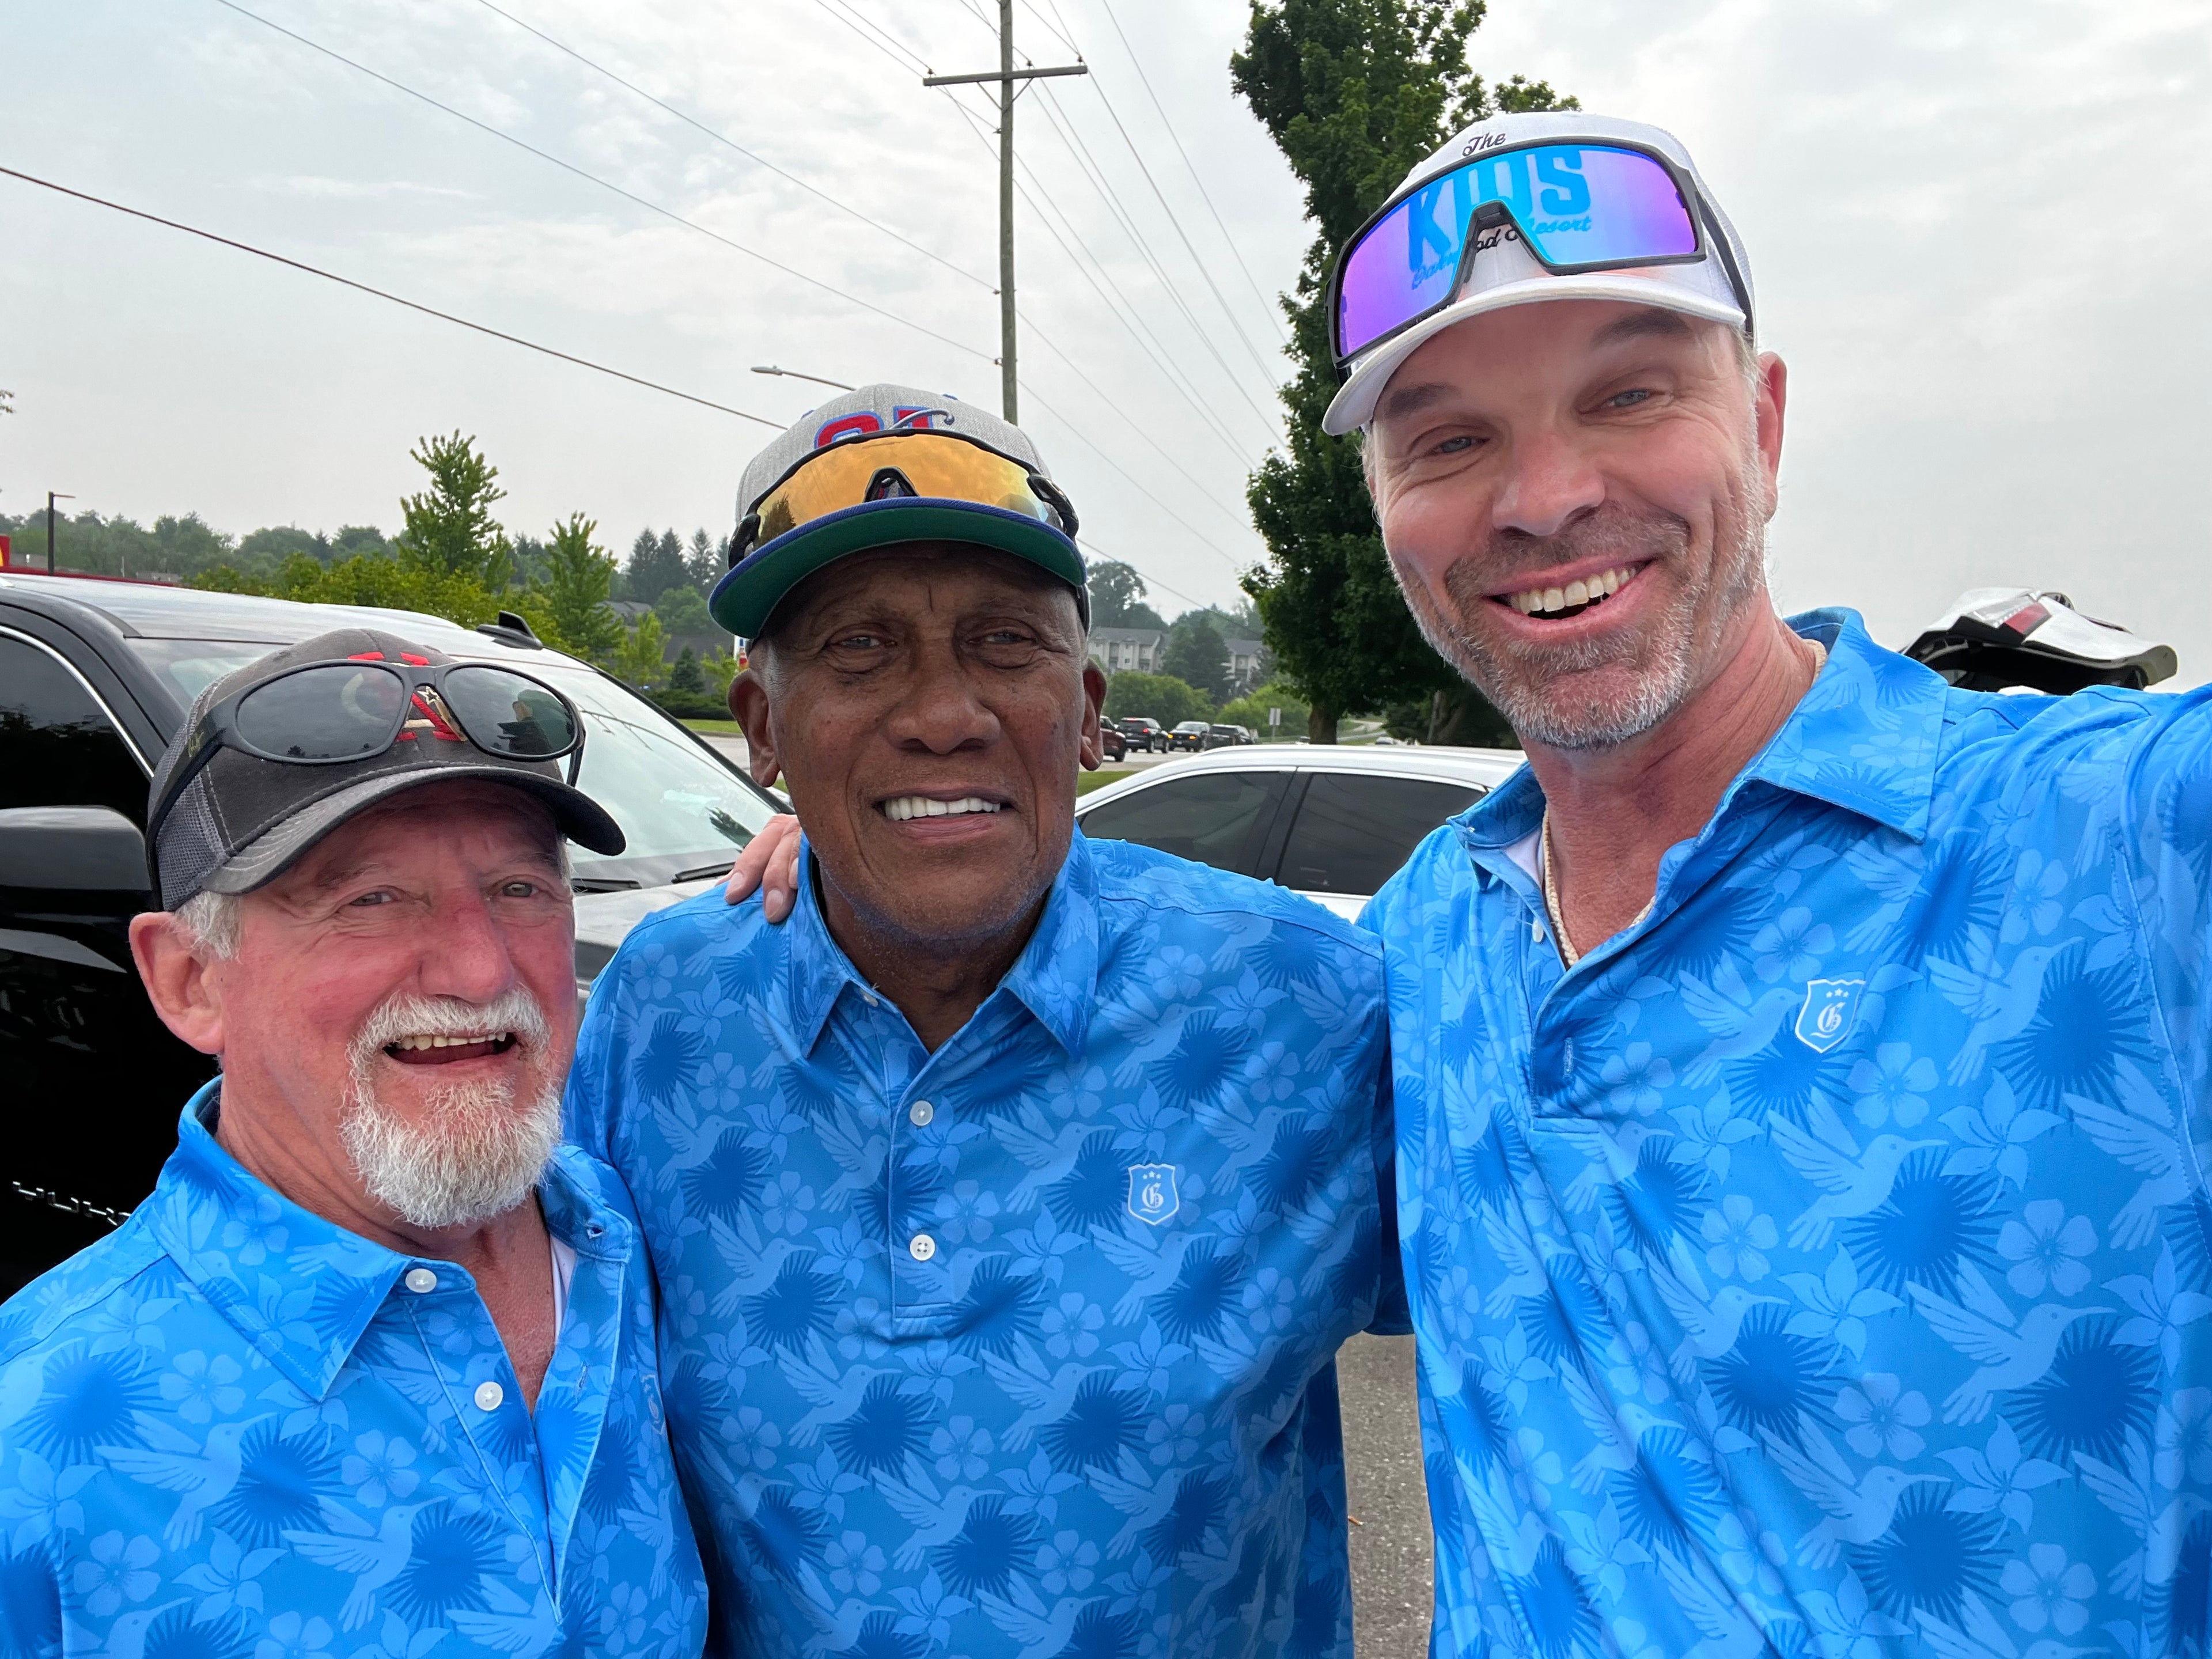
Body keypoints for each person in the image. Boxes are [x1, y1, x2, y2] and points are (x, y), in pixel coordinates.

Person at [1335, 111, 2212, 1655]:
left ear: (1767, 426)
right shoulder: (1418, 943)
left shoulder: (2120, 836)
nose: (1542, 496)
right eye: (1450, 440)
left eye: (1628, 394)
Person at [565, 387, 1402, 1658]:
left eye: (1005, 644)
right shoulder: (665, 1014)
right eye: (858, 649)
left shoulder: (1301, 1002)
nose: (943, 714)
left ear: (1089, 710)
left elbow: (1573, 1347)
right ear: (763, 730)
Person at [0, 630, 706, 1656]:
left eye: (520, 888)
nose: (479, 969)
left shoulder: (642, 1243)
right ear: (189, 981)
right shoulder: (37, 1444)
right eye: (369, 900)